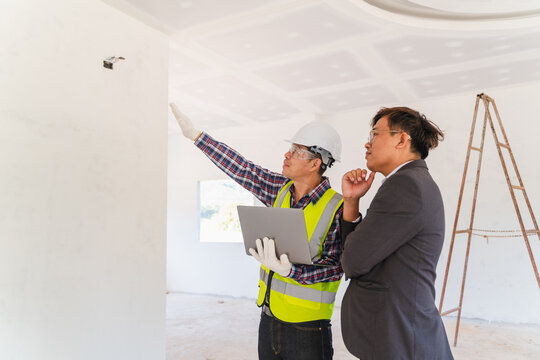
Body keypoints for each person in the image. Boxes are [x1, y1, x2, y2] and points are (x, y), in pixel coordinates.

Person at [170, 103, 344, 360]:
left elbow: (336, 267)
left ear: (315, 163)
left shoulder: (336, 207)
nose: (287, 155)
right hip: (269, 318)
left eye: (296, 151)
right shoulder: (280, 189)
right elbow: (242, 168)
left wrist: (290, 271)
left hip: (309, 328)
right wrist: (197, 136)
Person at [339, 107, 453, 359]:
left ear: (401, 139)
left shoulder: (405, 185)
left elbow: (352, 261)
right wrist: (351, 202)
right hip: (400, 335)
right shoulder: (412, 181)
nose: (367, 144)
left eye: (375, 134)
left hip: (401, 338)